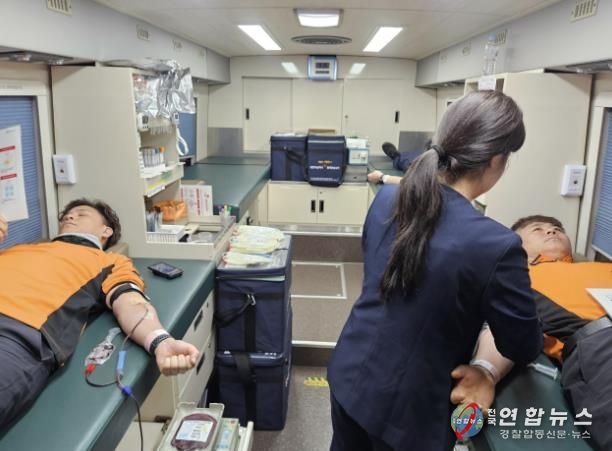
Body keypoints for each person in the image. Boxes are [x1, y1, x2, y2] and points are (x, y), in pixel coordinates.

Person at [327, 91, 543, 451]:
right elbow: (522, 345)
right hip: (408, 415)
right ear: (495, 159)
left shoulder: (386, 200)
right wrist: (485, 369)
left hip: (350, 375)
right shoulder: (495, 245)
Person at [0, 199, 199, 429]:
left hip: (18, 333)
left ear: (106, 231)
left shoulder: (110, 262)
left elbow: (130, 302)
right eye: (67, 215)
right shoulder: (19, 249)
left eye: (81, 214)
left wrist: (160, 340)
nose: (69, 217)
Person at [451, 215, 612, 451]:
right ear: (518, 246)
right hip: (602, 344)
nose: (551, 232)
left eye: (557, 229)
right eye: (538, 229)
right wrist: (486, 371)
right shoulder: (518, 279)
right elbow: (503, 329)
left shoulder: (603, 267)